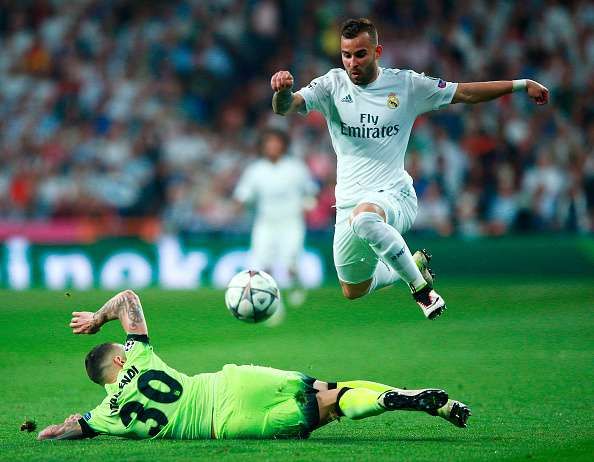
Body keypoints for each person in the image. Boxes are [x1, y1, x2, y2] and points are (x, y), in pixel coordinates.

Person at [270, 18, 549, 320]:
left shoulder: (406, 85)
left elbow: (464, 92)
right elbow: (285, 106)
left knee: (364, 219)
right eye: (346, 55)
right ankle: (411, 265)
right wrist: (282, 91)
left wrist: (522, 85)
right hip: (348, 202)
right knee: (354, 289)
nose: (352, 62)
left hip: (394, 195)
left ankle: (422, 291)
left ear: (377, 51)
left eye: (360, 54)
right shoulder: (331, 85)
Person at [37, 290, 471, 441]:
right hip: (232, 382)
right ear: (118, 356)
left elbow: (60, 433)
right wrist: (96, 318)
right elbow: (129, 299)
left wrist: (63, 426)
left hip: (228, 424)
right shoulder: (140, 354)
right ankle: (410, 398)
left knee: (334, 404)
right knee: (331, 386)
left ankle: (397, 400)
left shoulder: (107, 415)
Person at [234, 128, 318, 306]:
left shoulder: (295, 168)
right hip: (265, 222)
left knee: (291, 262)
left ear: (283, 145)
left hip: (291, 221)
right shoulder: (255, 170)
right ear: (262, 147)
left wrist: (308, 204)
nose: (272, 146)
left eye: (276, 142)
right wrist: (240, 205)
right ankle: (269, 297)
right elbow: (243, 195)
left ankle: (296, 285)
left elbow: (310, 191)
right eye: (268, 143)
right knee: (262, 263)